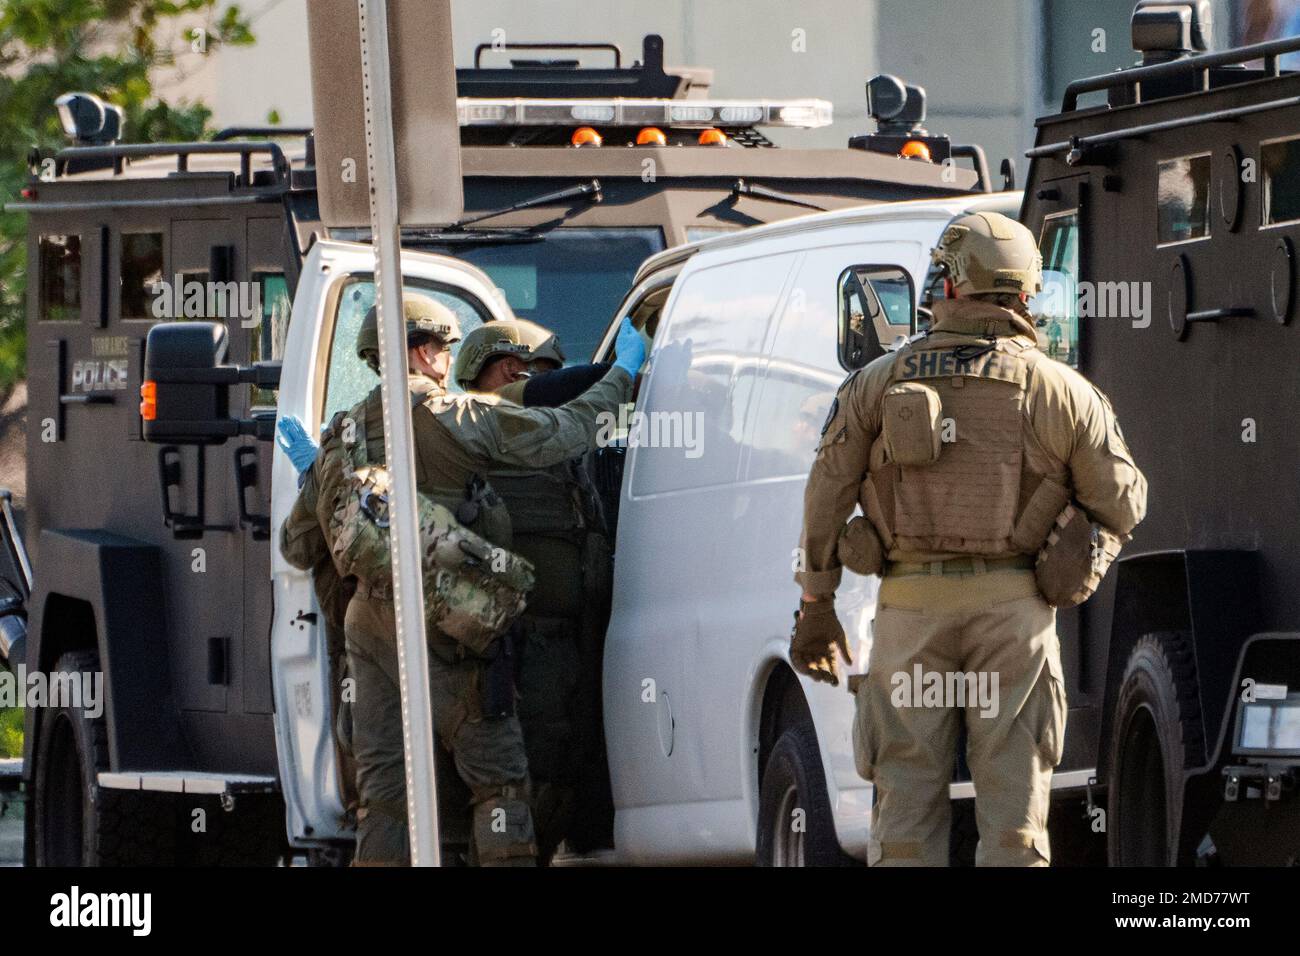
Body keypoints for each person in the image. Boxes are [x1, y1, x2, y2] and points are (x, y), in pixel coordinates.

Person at [790, 212, 1147, 866]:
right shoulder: (1063, 390)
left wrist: (816, 606)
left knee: (903, 821)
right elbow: (1123, 501)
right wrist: (1082, 557)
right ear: (1025, 293)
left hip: (909, 614)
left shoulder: (874, 384)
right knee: (1013, 826)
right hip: (1014, 617)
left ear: (951, 285)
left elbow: (825, 495)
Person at [278, 294, 645, 866]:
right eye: (444, 349)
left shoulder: (342, 435)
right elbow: (568, 430)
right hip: (450, 626)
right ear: (424, 352)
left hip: (370, 633)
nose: (448, 361)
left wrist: (316, 475)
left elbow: (297, 545)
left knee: (385, 802)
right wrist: (622, 373)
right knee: (499, 790)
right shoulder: (457, 417)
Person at [452, 319, 616, 862]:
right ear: (506, 370)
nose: (550, 384)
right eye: (536, 372)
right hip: (523, 639)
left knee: (566, 765)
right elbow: (564, 391)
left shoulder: (545, 439)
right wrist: (627, 367)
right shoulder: (482, 422)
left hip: (568, 636)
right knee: (532, 771)